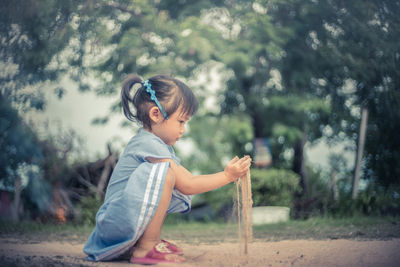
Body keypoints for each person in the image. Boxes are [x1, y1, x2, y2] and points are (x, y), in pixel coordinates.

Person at [83, 74, 252, 264]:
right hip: (114, 224)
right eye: (181, 121)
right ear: (155, 114)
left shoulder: (157, 146)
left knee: (167, 174)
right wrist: (227, 175)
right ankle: (146, 246)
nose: (183, 129)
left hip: (117, 224)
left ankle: (142, 243)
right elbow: (188, 184)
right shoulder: (148, 144)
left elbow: (186, 179)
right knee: (165, 174)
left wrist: (226, 175)